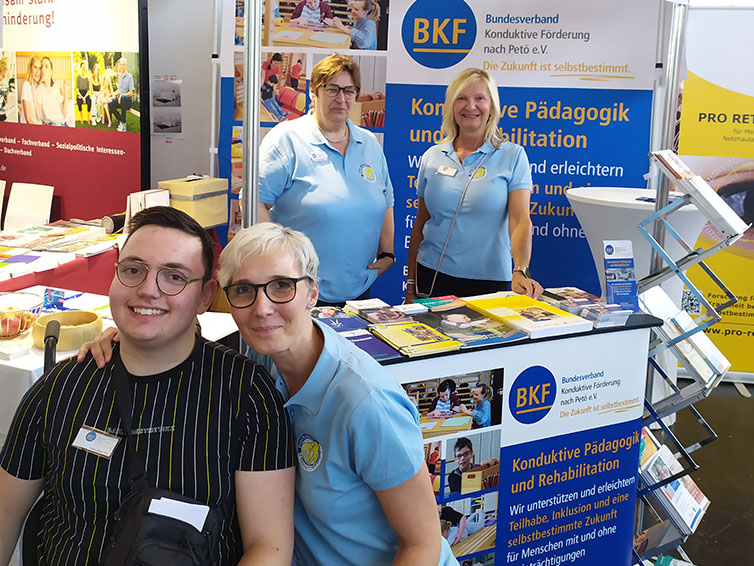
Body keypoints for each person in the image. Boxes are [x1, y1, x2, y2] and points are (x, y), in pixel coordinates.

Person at [0, 207, 295, 565]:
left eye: (174, 277)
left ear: (205, 296)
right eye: (134, 270)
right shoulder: (60, 388)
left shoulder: (246, 393)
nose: (147, 290)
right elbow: (5, 514)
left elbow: (270, 548)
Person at [258, 53, 395, 305]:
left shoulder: (369, 143)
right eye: (332, 89)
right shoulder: (287, 139)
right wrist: (279, 265)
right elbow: (255, 202)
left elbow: (385, 200)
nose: (341, 99)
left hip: (358, 291)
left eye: (349, 90)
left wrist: (387, 254)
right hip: (299, 293)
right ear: (314, 91)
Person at [406, 68, 542, 300]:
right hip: (432, 274)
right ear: (451, 105)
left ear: (492, 106)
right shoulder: (432, 156)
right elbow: (421, 224)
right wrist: (411, 285)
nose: (471, 106)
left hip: (488, 280)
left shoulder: (512, 155)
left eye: (480, 98)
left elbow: (520, 220)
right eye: (462, 98)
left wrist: (521, 269)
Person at [35, 56, 68, 126]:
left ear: (51, 72)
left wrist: (66, 90)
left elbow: (64, 112)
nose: (43, 69)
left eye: (46, 66)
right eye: (41, 67)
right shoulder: (39, 89)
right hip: (50, 125)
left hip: (62, 124)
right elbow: (39, 116)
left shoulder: (57, 86)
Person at [108, 57, 134, 132]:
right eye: (120, 65)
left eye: (123, 65)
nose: (121, 66)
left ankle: (123, 125)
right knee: (110, 104)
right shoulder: (119, 76)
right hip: (121, 100)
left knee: (123, 98)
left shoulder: (129, 77)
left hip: (127, 101)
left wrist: (122, 96)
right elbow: (119, 90)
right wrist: (112, 93)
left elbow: (131, 93)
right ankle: (122, 121)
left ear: (126, 65)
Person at [21, 55, 42, 125]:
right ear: (30, 68)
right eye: (35, 67)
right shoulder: (26, 85)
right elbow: (29, 120)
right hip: (30, 130)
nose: (37, 71)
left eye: (40, 68)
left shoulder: (38, 87)